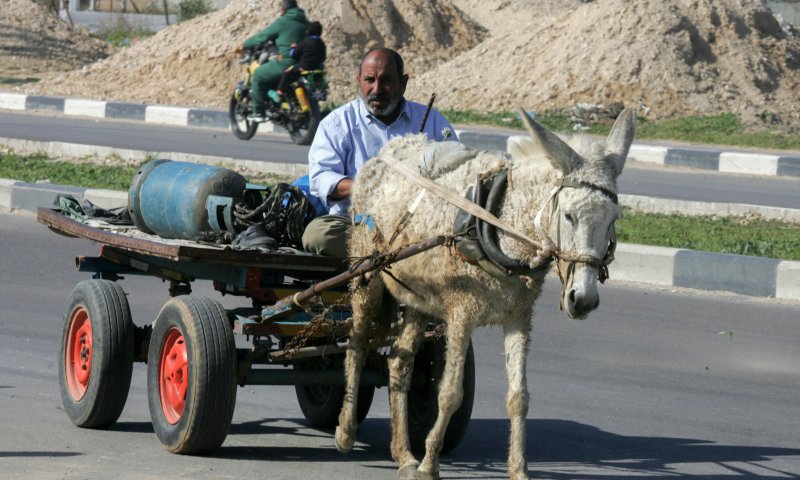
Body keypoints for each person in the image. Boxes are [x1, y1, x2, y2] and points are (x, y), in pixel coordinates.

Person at [302, 47, 458, 257]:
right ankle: (395, 256)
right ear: (359, 81)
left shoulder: (433, 121)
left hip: (418, 224)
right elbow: (322, 178)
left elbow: (456, 171)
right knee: (318, 235)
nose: (377, 89)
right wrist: (370, 185)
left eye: (386, 81)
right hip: (358, 225)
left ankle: (391, 255)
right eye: (370, 80)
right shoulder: (337, 123)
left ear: (403, 83)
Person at [238, 0, 308, 121]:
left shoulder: (283, 22)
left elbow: (262, 36)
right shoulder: (306, 22)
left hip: (287, 63)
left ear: (284, 8)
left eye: (279, 6)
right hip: (305, 64)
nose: (278, 9)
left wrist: (244, 45)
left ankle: (259, 112)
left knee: (259, 74)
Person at [269, 21, 327, 104]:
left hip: (303, 67)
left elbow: (293, 55)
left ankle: (279, 93)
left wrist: (293, 47)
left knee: (287, 73)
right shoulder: (321, 43)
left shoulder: (305, 42)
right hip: (317, 69)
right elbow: (323, 57)